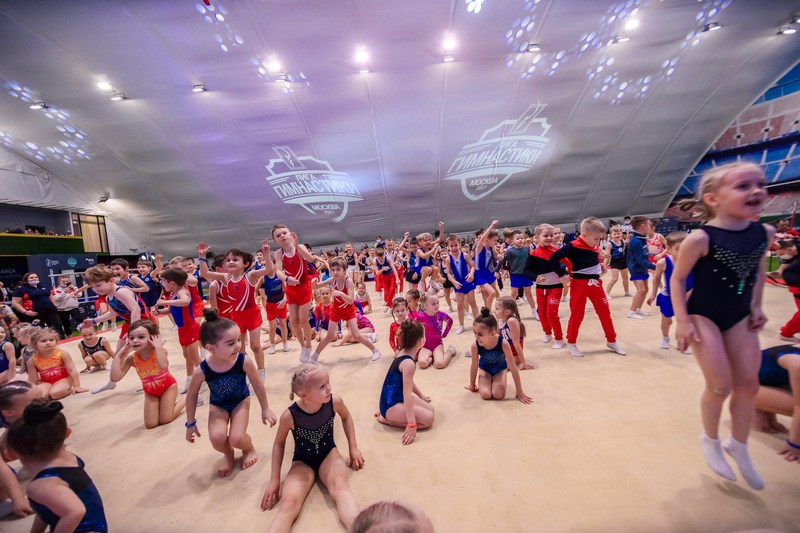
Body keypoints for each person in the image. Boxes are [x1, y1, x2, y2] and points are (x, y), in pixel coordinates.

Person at [672, 161, 771, 490]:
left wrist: (756, 305)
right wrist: (682, 321)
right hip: (703, 315)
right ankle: (711, 439)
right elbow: (678, 279)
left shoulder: (764, 233)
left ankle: (738, 445)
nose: (756, 191)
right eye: (743, 186)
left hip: (739, 314)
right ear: (713, 199)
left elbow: (757, 272)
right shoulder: (701, 238)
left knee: (749, 386)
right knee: (720, 386)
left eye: (760, 184)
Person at [261, 363, 365, 531]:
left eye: (328, 382)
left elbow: (346, 417)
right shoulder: (290, 416)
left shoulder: (334, 402)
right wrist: (274, 480)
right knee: (289, 503)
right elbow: (279, 443)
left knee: (340, 487)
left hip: (329, 455)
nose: (329, 388)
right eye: (322, 386)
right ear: (304, 395)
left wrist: (353, 447)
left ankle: (361, 528)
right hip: (302, 462)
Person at [185, 309, 276, 477]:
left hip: (240, 401)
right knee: (217, 438)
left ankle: (248, 449)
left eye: (239, 340)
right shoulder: (202, 370)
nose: (238, 346)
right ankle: (228, 453)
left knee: (236, 438)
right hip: (218, 405)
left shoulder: (243, 361)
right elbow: (191, 395)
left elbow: (257, 384)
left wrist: (265, 408)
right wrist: (190, 423)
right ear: (210, 348)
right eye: (231, 343)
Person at [6, 399, 108, 532]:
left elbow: (75, 511)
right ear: (67, 433)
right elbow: (47, 509)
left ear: (11, 454)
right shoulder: (71, 458)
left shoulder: (40, 486)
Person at [550, 217, 626, 357]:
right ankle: (571, 342)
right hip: (579, 285)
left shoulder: (593, 244)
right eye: (596, 239)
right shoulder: (572, 246)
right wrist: (562, 275)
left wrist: (599, 265)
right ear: (584, 235)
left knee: (605, 312)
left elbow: (592, 256)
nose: (598, 242)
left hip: (595, 283)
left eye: (600, 239)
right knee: (577, 314)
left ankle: (612, 340)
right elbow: (553, 258)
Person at [198, 242, 273, 380]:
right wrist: (202, 257)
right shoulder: (226, 278)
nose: (230, 262)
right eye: (228, 260)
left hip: (252, 314)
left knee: (255, 346)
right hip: (237, 317)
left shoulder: (250, 276)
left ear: (245, 264)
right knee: (240, 349)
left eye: (235, 259)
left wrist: (267, 254)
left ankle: (261, 371)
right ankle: (246, 373)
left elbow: (269, 269)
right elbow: (205, 273)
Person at [82, 265, 150, 394]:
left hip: (144, 324)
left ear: (111, 280)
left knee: (144, 354)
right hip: (130, 324)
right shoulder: (109, 297)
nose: (96, 290)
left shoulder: (121, 292)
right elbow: (112, 314)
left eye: (99, 285)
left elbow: (135, 309)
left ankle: (149, 379)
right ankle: (111, 382)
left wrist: (132, 332)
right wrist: (94, 321)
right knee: (118, 355)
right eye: (93, 287)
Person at [109, 320, 186, 428]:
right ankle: (163, 405)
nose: (135, 340)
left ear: (152, 338)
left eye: (141, 337)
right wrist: (118, 356)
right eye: (131, 338)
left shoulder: (160, 351)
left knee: (165, 419)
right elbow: (115, 377)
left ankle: (187, 398)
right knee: (150, 424)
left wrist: (158, 347)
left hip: (168, 388)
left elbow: (163, 365)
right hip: (150, 393)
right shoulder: (132, 358)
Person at [310, 258, 381, 362]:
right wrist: (313, 282)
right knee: (329, 336)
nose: (335, 272)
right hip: (336, 310)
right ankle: (315, 356)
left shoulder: (349, 281)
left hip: (348, 310)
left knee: (356, 335)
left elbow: (351, 300)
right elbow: (316, 287)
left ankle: (375, 350)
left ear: (344, 271)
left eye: (338, 269)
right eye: (333, 270)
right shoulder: (332, 280)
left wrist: (340, 294)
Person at [376, 320, 434, 445]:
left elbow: (407, 382)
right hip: (390, 405)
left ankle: (387, 414)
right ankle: (387, 420)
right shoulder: (408, 363)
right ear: (421, 341)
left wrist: (421, 396)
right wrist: (412, 424)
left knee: (431, 410)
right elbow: (407, 394)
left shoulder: (403, 353)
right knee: (428, 419)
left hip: (393, 399)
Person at [271, 225, 317, 366]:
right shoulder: (278, 253)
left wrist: (297, 247)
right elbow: (278, 271)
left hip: (304, 287)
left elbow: (311, 259)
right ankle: (303, 346)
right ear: (275, 240)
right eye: (278, 235)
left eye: (284, 233)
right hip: (291, 289)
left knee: (303, 319)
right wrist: (286, 278)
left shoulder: (300, 247)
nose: (282, 236)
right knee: (294, 321)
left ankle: (309, 345)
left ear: (290, 234)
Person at [466, 308, 532, 404]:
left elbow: (513, 367)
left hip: (499, 370)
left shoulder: (503, 343)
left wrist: (519, 392)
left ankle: (497, 381)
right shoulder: (475, 345)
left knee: (498, 395)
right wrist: (472, 385)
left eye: (480, 334)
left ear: (493, 333)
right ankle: (488, 381)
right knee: (485, 395)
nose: (476, 337)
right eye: (475, 333)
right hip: (485, 370)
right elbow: (474, 365)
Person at [154, 268, 202, 393]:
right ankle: (189, 380)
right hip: (182, 329)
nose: (161, 284)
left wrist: (165, 301)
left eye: (163, 281)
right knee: (187, 356)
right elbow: (171, 309)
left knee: (194, 357)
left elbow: (185, 301)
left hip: (190, 328)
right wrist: (158, 312)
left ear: (172, 283)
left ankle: (204, 380)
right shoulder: (173, 294)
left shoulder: (182, 292)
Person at [753, 344, 800, 463]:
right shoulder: (797, 363)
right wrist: (795, 444)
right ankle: (756, 404)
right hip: (741, 386)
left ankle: (761, 404)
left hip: (769, 380)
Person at [646, 232, 693, 351]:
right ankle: (665, 337)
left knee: (685, 321)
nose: (682, 252)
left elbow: (700, 279)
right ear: (668, 249)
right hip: (668, 297)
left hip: (686, 297)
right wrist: (653, 294)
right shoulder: (663, 263)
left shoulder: (693, 261)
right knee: (667, 321)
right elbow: (656, 278)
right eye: (678, 249)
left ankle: (682, 342)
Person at [0, 381, 38, 519]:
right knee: (5, 490)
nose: (42, 405)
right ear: (8, 412)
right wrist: (18, 497)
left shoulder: (8, 407)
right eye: (34, 404)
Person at [528, 223, 566, 349]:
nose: (549, 238)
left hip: (555, 287)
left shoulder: (557, 252)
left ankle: (559, 338)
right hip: (541, 288)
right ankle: (547, 333)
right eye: (546, 236)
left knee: (551, 313)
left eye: (551, 235)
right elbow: (527, 271)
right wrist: (535, 278)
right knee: (542, 313)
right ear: (537, 237)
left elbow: (569, 264)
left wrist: (567, 275)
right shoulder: (533, 253)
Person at [28, 328, 87, 399]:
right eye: (43, 341)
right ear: (34, 344)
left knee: (55, 394)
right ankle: (49, 393)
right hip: (45, 382)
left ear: (56, 341)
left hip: (63, 379)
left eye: (51, 340)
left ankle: (68, 389)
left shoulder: (62, 354)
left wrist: (77, 386)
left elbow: (72, 370)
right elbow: (32, 379)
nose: (48, 342)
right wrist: (30, 393)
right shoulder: (32, 360)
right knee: (40, 396)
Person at [497, 229, 537, 317]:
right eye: (518, 238)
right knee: (514, 293)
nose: (520, 240)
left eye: (521, 238)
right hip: (515, 275)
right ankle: (511, 312)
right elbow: (502, 260)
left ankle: (534, 311)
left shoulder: (527, 249)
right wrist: (496, 270)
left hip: (526, 274)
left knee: (528, 293)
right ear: (512, 240)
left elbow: (532, 260)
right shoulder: (510, 251)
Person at [626, 216, 656, 320]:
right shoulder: (636, 241)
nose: (651, 227)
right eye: (649, 225)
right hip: (636, 268)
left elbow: (644, 254)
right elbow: (640, 259)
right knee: (641, 290)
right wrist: (654, 267)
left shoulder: (641, 239)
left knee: (645, 289)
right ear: (643, 226)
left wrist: (653, 255)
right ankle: (631, 312)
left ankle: (638, 309)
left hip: (642, 267)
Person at [414, 293, 455, 369]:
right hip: (425, 345)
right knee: (422, 363)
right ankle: (432, 357)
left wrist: (444, 334)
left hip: (437, 344)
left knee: (440, 364)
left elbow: (450, 321)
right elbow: (414, 328)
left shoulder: (441, 315)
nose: (436, 306)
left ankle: (450, 351)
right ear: (425, 305)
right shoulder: (420, 317)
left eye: (437, 303)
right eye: (433, 304)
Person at [494, 297, 534, 370]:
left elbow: (516, 343)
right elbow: (498, 338)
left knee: (501, 367)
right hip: (505, 350)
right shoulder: (500, 320)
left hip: (514, 353)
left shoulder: (511, 321)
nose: (494, 311)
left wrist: (523, 363)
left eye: (497, 309)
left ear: (507, 312)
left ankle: (517, 359)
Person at [775, 240, 800, 341]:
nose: (781, 257)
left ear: (788, 249)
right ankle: (786, 333)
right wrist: (779, 271)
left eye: (781, 254)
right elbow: (786, 269)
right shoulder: (793, 254)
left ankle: (787, 332)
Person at [473, 221, 501, 310]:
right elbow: (483, 238)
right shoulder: (480, 247)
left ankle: (493, 307)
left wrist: (500, 256)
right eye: (494, 240)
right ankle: (487, 311)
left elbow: (497, 256)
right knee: (492, 292)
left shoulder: (491, 248)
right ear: (487, 239)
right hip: (479, 273)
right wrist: (492, 226)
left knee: (490, 292)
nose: (496, 242)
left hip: (488, 272)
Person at [603, 225, 631, 298]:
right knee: (615, 278)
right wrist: (604, 265)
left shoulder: (622, 241)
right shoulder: (609, 244)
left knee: (625, 277)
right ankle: (606, 293)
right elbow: (607, 256)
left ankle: (627, 292)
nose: (617, 235)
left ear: (621, 234)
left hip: (623, 261)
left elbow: (623, 251)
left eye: (618, 233)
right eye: (615, 234)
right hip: (615, 262)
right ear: (611, 235)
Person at [373, 248, 400, 313]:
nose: (381, 259)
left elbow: (394, 268)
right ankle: (390, 306)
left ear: (384, 255)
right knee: (387, 292)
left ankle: (388, 304)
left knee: (392, 289)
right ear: (376, 256)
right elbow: (377, 273)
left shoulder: (387, 259)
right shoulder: (375, 261)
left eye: (382, 257)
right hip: (384, 277)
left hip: (391, 275)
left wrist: (397, 278)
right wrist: (383, 269)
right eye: (379, 258)